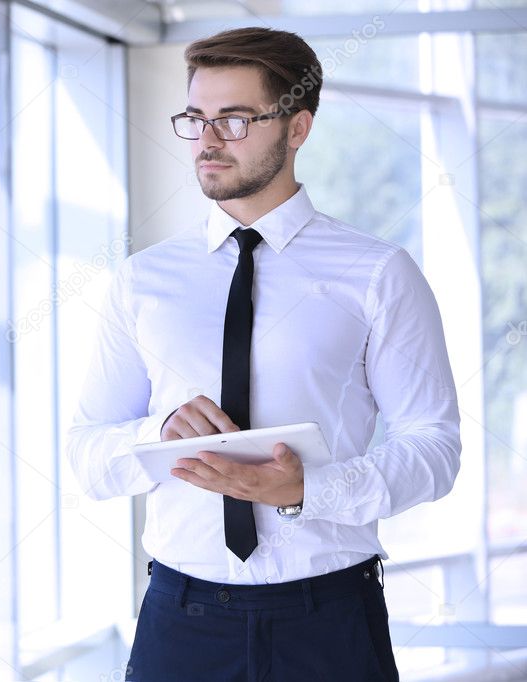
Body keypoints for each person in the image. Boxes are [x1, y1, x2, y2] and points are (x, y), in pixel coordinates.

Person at [65, 26, 461, 681]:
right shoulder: (141, 280)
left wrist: (310, 489)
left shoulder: (377, 273)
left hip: (329, 617)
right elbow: (87, 455)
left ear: (297, 127)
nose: (207, 141)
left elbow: (434, 448)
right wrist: (157, 433)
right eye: (195, 118)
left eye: (234, 119)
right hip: (179, 618)